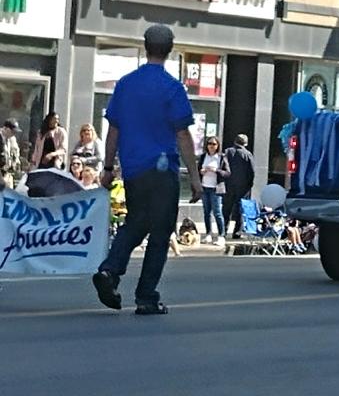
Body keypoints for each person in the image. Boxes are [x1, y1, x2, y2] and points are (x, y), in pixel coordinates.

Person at [92, 24, 202, 316]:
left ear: (145, 46)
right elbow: (182, 134)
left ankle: (109, 270)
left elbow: (114, 129)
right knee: (161, 232)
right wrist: (195, 178)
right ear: (170, 50)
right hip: (162, 169)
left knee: (136, 222)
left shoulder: (125, 84)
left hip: (134, 169)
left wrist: (107, 167)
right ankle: (146, 297)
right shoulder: (172, 87)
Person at [198, 136, 231, 246]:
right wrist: (201, 171)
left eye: (214, 144)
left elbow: (227, 173)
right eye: (209, 144)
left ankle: (221, 235)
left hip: (216, 188)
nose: (211, 146)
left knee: (217, 212)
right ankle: (208, 234)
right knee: (206, 212)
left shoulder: (221, 157)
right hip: (204, 186)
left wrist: (216, 170)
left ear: (217, 146)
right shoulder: (203, 156)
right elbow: (198, 170)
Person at [223, 134, 256, 238]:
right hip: (243, 186)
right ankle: (237, 232)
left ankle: (223, 231)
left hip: (228, 184)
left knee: (226, 208)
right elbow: (252, 171)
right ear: (245, 143)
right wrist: (249, 184)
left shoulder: (228, 152)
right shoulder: (248, 154)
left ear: (235, 141)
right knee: (240, 209)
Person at [0, 118, 21, 189]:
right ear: (7, 129)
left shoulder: (11, 139)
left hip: (6, 173)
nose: (14, 134)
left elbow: (15, 152)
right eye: (13, 132)